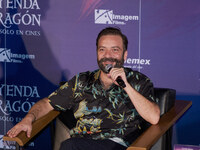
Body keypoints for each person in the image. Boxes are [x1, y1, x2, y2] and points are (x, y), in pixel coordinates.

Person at [7, 27, 160, 150]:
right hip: (83, 142)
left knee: (70, 145)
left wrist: (126, 86)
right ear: (97, 53)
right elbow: (47, 103)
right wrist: (28, 118)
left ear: (124, 55)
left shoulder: (138, 81)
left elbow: (153, 117)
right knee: (72, 145)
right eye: (102, 49)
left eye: (115, 50)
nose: (108, 55)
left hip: (118, 145)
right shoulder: (82, 81)